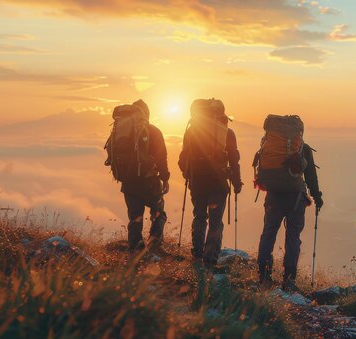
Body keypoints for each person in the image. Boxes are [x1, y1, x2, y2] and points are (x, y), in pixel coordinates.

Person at [255, 115, 323, 291]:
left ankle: (264, 276)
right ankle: (289, 280)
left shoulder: (269, 146)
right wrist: (317, 197)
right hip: (295, 199)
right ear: (298, 132)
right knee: (293, 238)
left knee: (268, 234)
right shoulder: (302, 148)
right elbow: (311, 177)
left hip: (273, 196)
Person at [178, 98, 242, 269]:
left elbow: (183, 158)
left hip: (197, 181)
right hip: (218, 182)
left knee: (199, 217)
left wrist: (188, 173)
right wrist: (237, 182)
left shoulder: (192, 131)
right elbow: (234, 160)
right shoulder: (228, 133)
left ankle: (197, 255)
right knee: (215, 221)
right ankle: (210, 259)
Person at [105, 99, 170, 253]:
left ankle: (135, 248)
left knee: (135, 216)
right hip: (149, 181)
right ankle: (155, 244)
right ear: (146, 113)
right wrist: (165, 178)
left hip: (128, 182)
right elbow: (162, 158)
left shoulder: (120, 131)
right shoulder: (153, 131)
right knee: (158, 211)